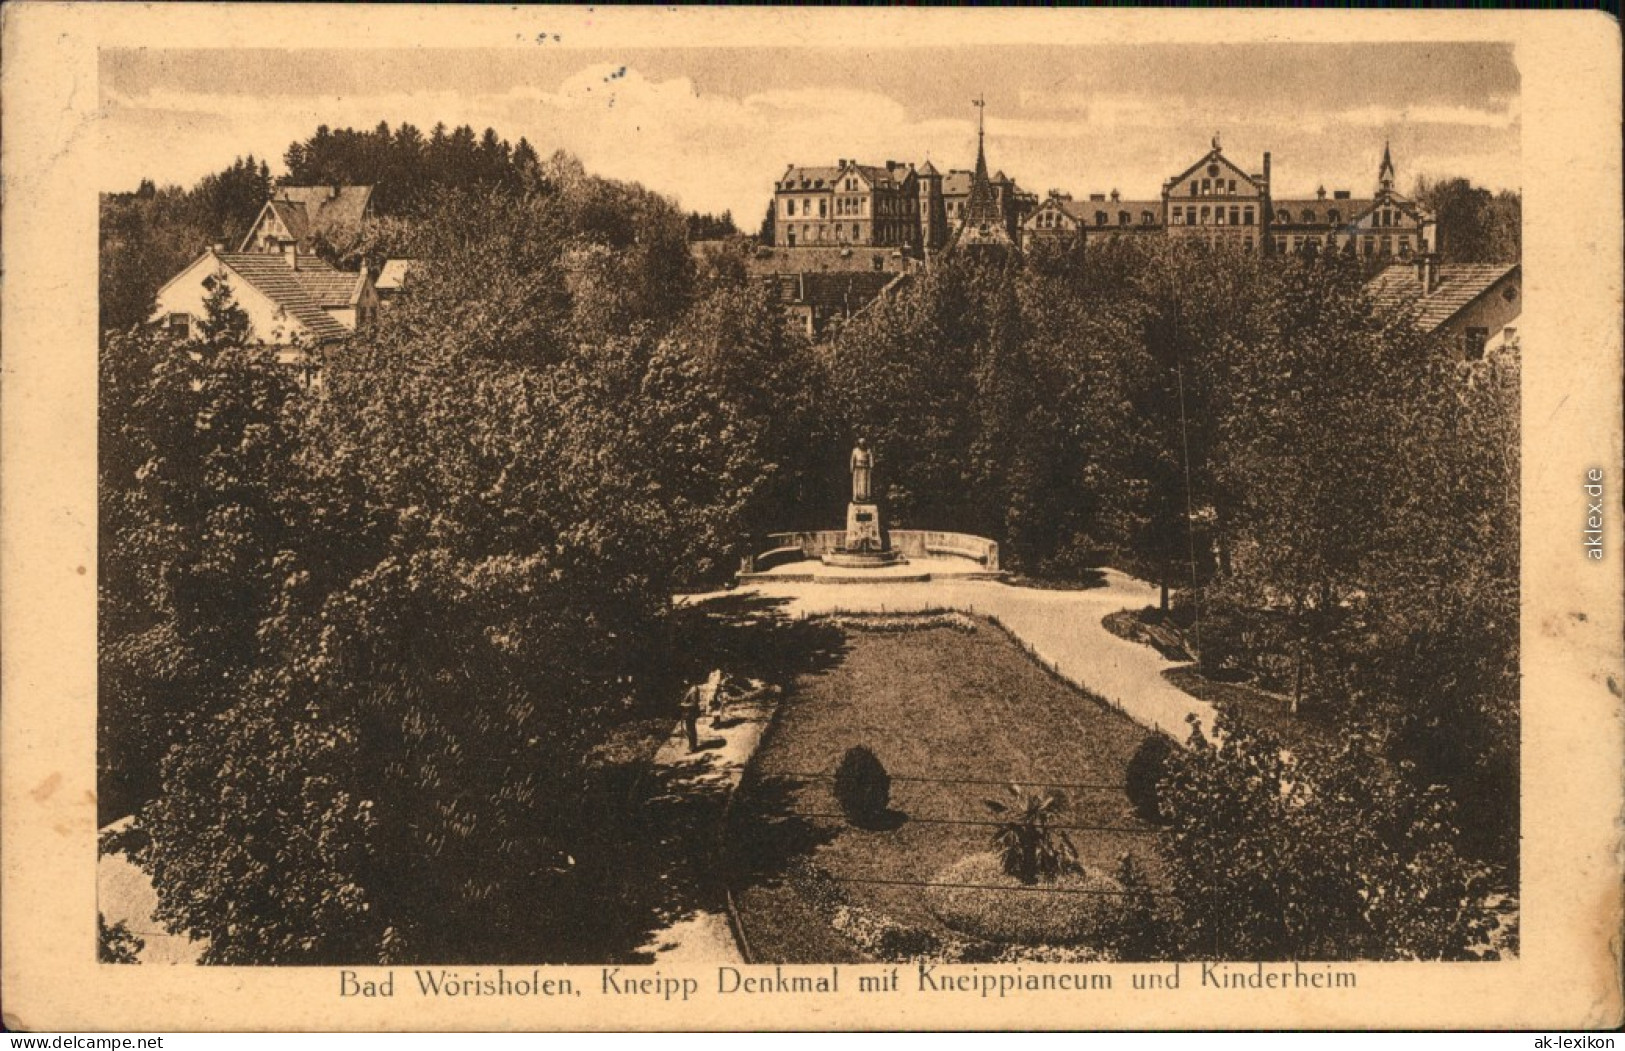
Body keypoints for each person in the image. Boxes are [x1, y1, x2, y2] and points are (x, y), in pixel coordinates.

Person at [679, 680, 703, 752]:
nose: (684, 681)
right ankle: (692, 745)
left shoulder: (693, 690)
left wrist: (683, 705)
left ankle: (693, 747)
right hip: (689, 712)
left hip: (691, 712)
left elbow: (693, 704)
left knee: (690, 729)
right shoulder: (690, 688)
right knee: (689, 728)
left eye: (685, 680)